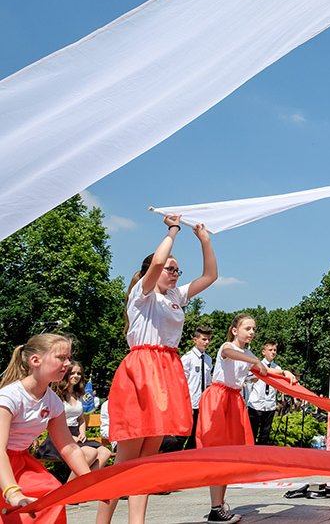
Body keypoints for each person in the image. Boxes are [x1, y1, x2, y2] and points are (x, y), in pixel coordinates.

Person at [102, 214, 218, 524]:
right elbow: (156, 264)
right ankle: (102, 521)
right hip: (141, 371)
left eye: (178, 270)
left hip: (165, 371)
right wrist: (174, 230)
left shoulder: (176, 297)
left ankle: (136, 522)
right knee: (125, 460)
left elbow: (210, 276)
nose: (175, 274)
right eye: (171, 268)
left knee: (148, 460)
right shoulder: (144, 295)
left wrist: (204, 240)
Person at [196, 314, 296, 523]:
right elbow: (232, 354)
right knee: (218, 454)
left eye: (253, 329)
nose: (251, 332)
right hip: (219, 399)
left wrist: (284, 372)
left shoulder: (248, 353)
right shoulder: (227, 347)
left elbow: (265, 371)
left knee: (229, 455)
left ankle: (219, 505)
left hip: (233, 400)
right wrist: (254, 361)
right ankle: (215, 508)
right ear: (235, 330)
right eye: (247, 328)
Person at [0, 334, 93, 523]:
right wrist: (12, 491)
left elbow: (69, 447)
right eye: (60, 357)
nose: (67, 363)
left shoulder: (52, 401)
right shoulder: (9, 398)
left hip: (20, 460)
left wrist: (91, 482)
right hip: (4, 462)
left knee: (51, 493)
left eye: (68, 358)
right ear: (36, 361)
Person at [35, 362, 112, 478]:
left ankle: (83, 490)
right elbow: (49, 421)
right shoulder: (54, 394)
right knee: (90, 452)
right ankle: (69, 492)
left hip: (76, 434)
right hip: (58, 436)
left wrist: (82, 433)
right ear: (65, 374)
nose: (76, 376)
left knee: (105, 452)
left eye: (79, 373)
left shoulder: (79, 394)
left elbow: (81, 419)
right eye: (73, 373)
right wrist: (69, 437)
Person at [181, 326, 214, 450]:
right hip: (189, 403)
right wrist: (186, 403)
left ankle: (189, 461)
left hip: (202, 404)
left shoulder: (208, 360)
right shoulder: (187, 358)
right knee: (182, 435)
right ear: (195, 340)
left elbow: (208, 382)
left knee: (196, 436)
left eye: (209, 340)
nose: (207, 342)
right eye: (204, 339)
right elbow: (182, 383)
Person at [246, 340, 280, 446]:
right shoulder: (256, 366)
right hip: (256, 404)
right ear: (263, 352)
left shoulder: (277, 369)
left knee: (265, 434)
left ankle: (261, 457)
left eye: (275, 350)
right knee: (252, 432)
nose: (273, 352)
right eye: (270, 350)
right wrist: (253, 378)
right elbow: (247, 380)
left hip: (269, 405)